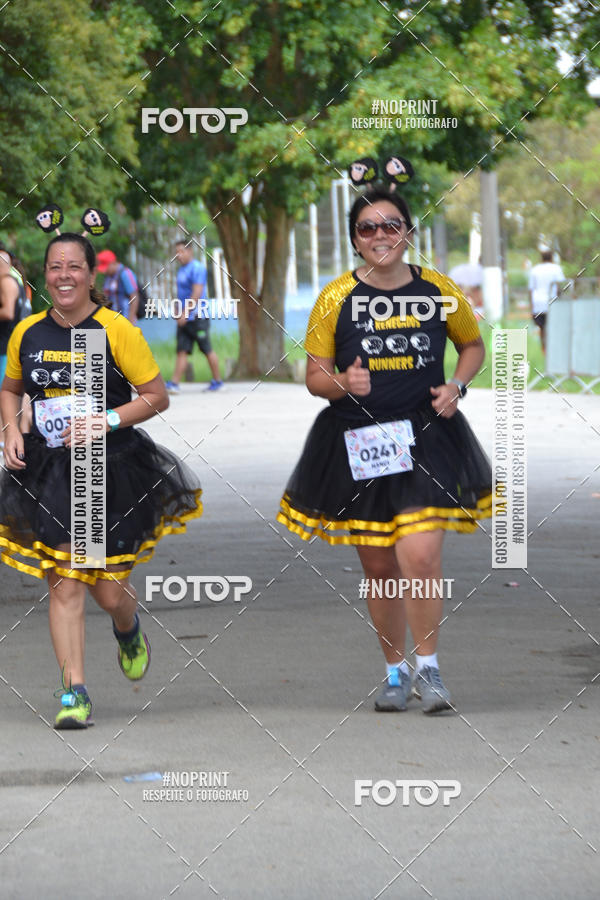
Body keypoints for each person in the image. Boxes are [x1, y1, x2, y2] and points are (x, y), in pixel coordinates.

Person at [277, 185, 492, 714]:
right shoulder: (334, 298)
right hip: (361, 440)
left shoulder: (439, 289)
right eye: (368, 228)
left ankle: (431, 670)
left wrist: (457, 387)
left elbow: (473, 345)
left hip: (429, 437)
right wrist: (343, 381)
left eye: (391, 225)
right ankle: (395, 673)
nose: (380, 235)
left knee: (420, 555)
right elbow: (313, 377)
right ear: (355, 240)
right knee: (378, 568)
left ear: (408, 232)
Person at [0, 232, 203, 729]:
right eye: (54, 266)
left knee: (107, 588)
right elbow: (10, 389)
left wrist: (106, 420)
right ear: (42, 276)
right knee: (65, 581)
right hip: (49, 469)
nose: (63, 275)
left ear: (92, 275)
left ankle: (127, 625)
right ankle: (74, 692)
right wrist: (10, 428)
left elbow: (156, 395)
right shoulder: (28, 332)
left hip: (106, 467)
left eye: (73, 266)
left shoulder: (111, 329)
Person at [165, 240, 223, 394]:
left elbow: (197, 293)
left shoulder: (197, 268)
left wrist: (186, 312)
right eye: (176, 252)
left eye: (181, 251)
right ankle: (174, 384)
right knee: (182, 350)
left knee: (206, 349)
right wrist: (178, 311)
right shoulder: (181, 270)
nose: (178, 255)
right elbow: (181, 294)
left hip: (198, 317)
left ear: (190, 251)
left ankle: (217, 381)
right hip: (184, 319)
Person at [0, 249, 26, 445]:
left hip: (6, 345)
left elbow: (8, 312)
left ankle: (8, 439)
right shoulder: (11, 280)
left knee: (8, 393)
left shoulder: (6, 282)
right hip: (8, 344)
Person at [528, 249, 565, 353]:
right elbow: (560, 286)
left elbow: (531, 289)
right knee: (554, 326)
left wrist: (531, 307)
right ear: (552, 258)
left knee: (542, 328)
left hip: (538, 304)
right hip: (552, 302)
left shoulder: (535, 270)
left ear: (541, 258)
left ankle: (544, 349)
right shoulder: (556, 269)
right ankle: (554, 349)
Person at [96, 249, 139, 323]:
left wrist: (131, 319)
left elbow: (134, 297)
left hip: (125, 318)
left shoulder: (125, 273)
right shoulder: (109, 277)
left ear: (113, 263)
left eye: (106, 268)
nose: (105, 271)